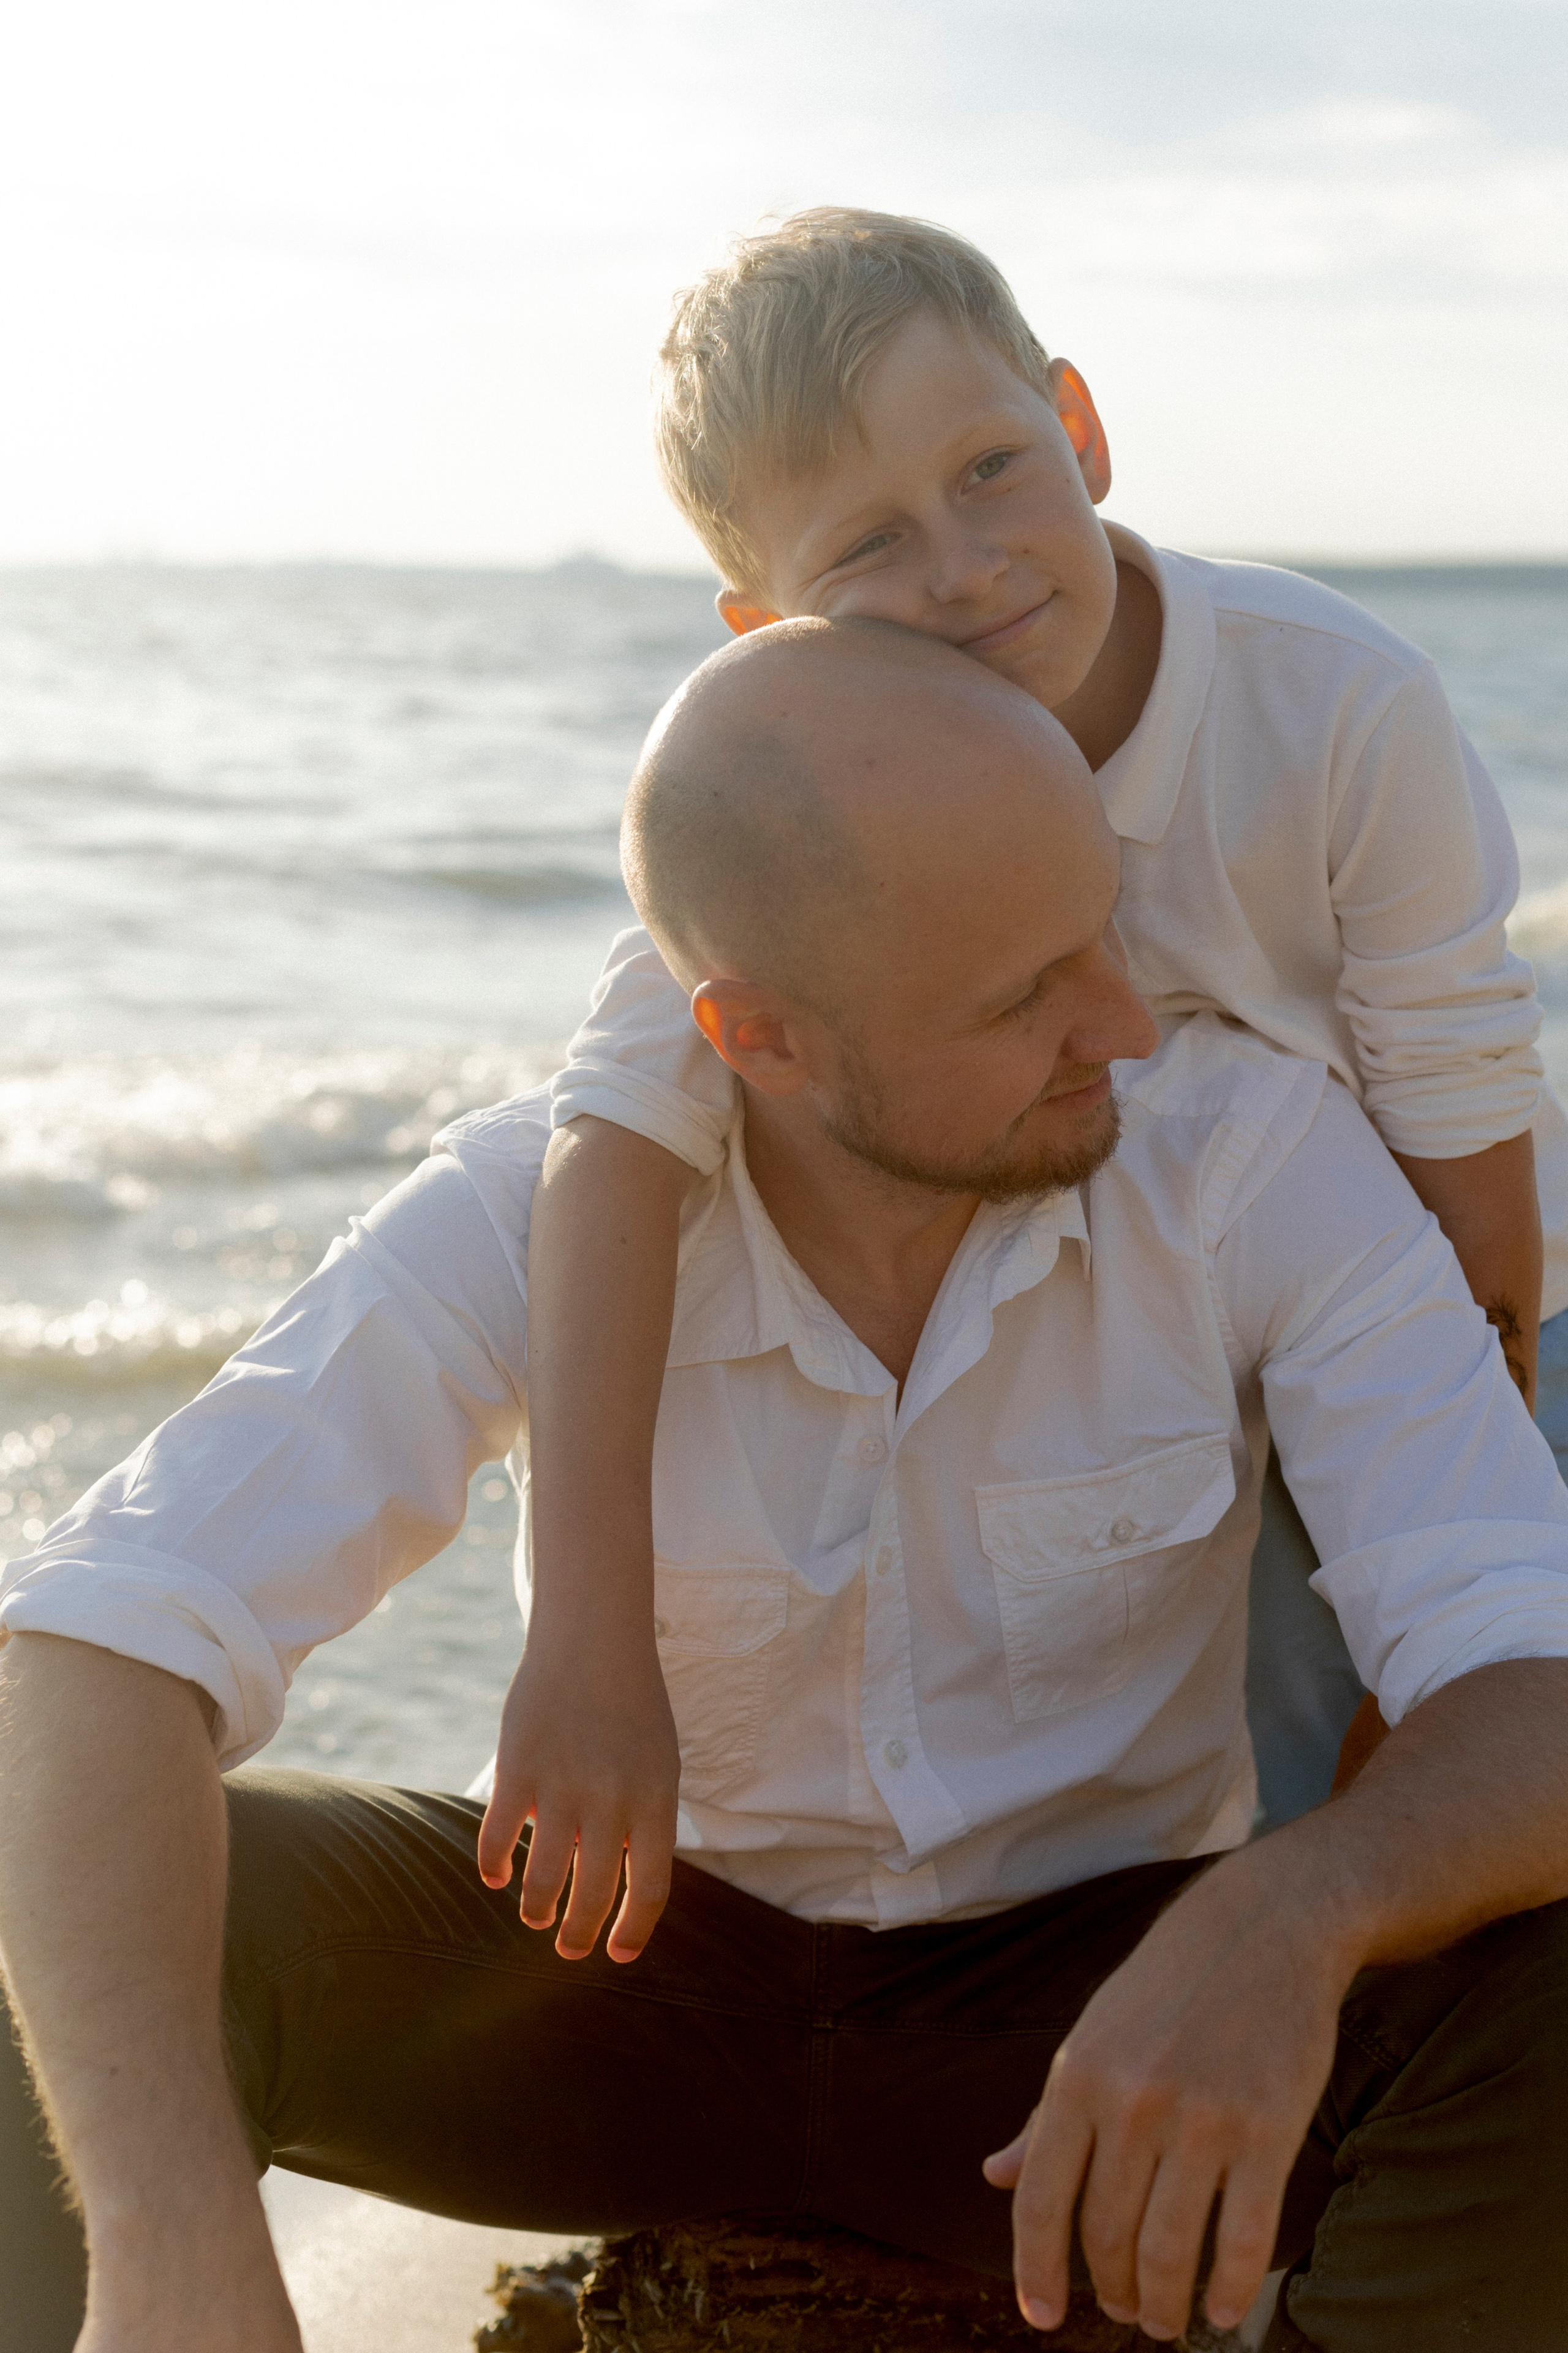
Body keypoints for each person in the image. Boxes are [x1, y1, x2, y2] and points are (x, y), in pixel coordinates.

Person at [5, 620, 1568, 2353]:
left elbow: (1538, 1671)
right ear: (764, 1040)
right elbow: (87, 1644)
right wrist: (171, 2238)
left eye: (1102, 928)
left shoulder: (1244, 1153)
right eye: (1020, 993)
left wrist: (1299, 1903)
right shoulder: (529, 1207)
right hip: (612, 1978)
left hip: (1075, 2015)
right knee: (66, 1895)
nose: (1121, 1018)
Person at [515, 207, 1567, 1897]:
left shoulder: (1337, 707)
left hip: (1459, 1310)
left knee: (1446, 1801)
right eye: (865, 544)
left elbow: (1465, 1138)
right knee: (1209, 1813)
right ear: (765, 625)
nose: (963, 563)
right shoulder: (824, 804)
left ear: (1079, 425)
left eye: (995, 467)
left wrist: (1430, 1605)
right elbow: (620, 1125)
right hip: (1153, 1340)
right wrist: (587, 1634)